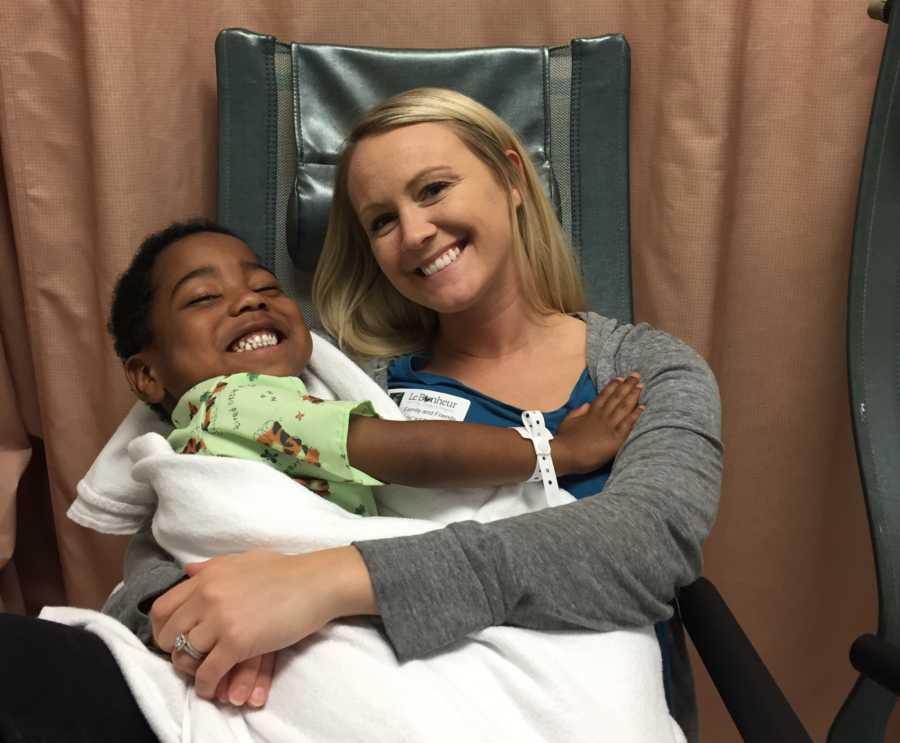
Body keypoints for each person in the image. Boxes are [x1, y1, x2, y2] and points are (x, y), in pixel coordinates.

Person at [0, 87, 720, 742]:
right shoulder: (346, 389)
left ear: (510, 175)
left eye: (434, 189)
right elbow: (182, 525)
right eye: (382, 220)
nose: (415, 233)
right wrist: (198, 622)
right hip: (320, 691)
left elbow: (644, 546)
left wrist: (333, 579)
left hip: (551, 696)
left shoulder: (643, 371)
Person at [107, 219, 642, 518]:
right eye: (202, 297)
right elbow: (414, 452)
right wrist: (560, 451)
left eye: (266, 286)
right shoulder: (238, 401)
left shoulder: (225, 423)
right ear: (147, 375)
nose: (250, 301)